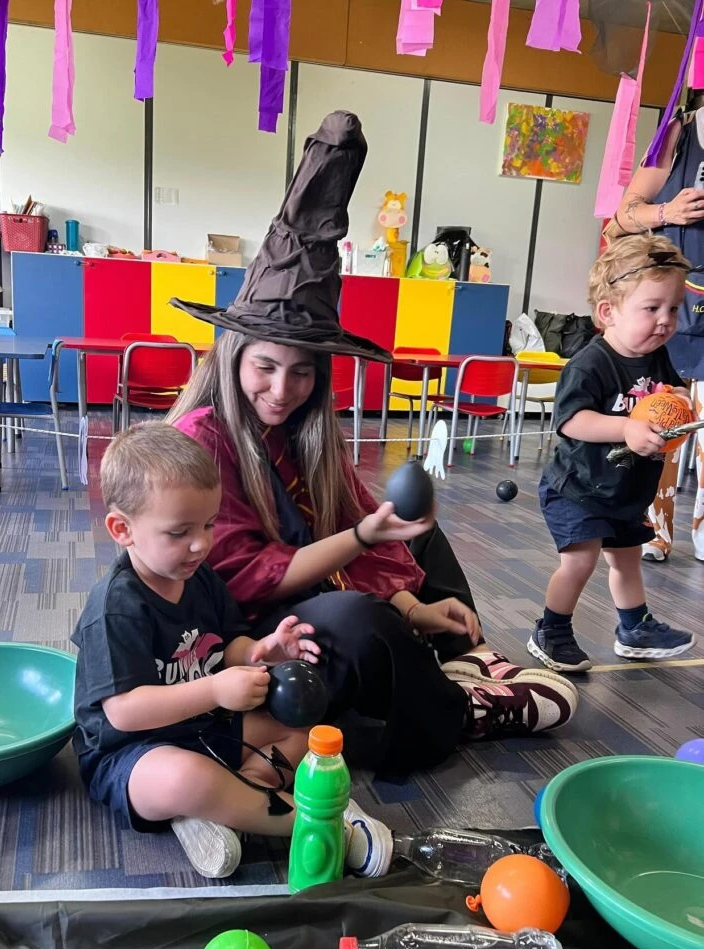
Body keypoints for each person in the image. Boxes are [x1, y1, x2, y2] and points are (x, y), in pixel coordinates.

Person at [166, 110, 578, 778]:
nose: (282, 389)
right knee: (356, 622)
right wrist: (365, 547)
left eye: (303, 373)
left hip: (314, 587)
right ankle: (456, 709)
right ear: (233, 355)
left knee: (420, 535)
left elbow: (358, 520)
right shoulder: (200, 441)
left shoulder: (305, 432)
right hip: (252, 629)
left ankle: (457, 654)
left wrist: (413, 603)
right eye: (266, 367)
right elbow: (250, 577)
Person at [72, 421, 392, 880]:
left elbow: (228, 644)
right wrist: (215, 690)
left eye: (208, 525)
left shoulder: (198, 578)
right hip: (132, 754)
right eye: (179, 532)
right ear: (122, 529)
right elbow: (124, 712)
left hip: (206, 729)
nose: (201, 544)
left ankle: (230, 803)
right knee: (184, 779)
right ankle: (321, 827)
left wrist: (261, 650)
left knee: (303, 733)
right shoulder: (116, 607)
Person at [528, 235, 696, 674]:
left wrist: (679, 398)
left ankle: (634, 629)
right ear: (608, 312)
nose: (665, 321)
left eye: (674, 308)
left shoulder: (655, 356)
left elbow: (671, 389)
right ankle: (551, 630)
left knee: (627, 559)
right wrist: (627, 428)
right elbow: (571, 421)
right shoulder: (590, 363)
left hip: (624, 489)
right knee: (580, 561)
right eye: (652, 308)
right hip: (578, 488)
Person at [606, 88, 704, 563]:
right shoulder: (677, 133)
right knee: (662, 420)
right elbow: (621, 218)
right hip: (673, 305)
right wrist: (667, 212)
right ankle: (653, 531)